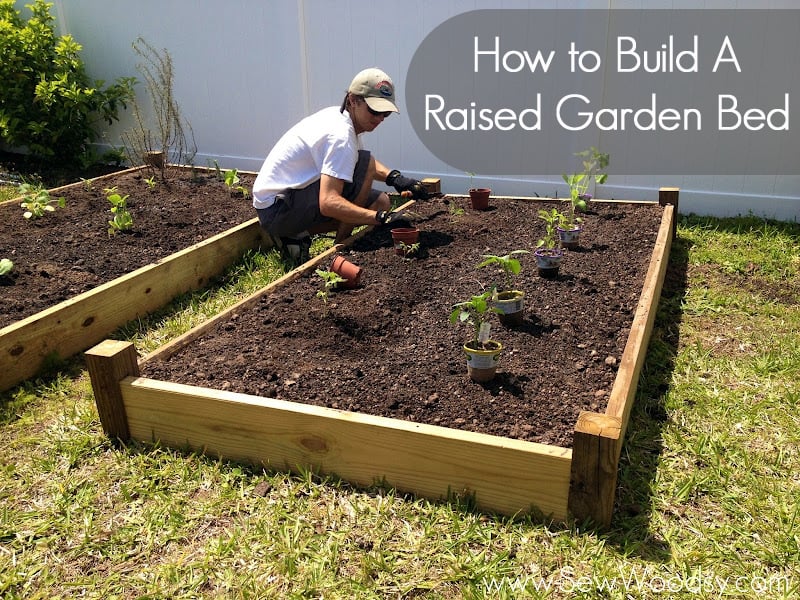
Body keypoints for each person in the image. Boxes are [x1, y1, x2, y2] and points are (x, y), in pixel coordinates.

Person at [252, 67, 432, 262]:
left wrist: (396, 179)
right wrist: (381, 219)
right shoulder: (341, 135)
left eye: (386, 113)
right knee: (368, 168)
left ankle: (296, 235)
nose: (380, 118)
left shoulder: (341, 119)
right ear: (353, 100)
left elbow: (356, 160)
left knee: (381, 201)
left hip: (281, 204)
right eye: (375, 110)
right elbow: (329, 202)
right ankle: (340, 250)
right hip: (279, 209)